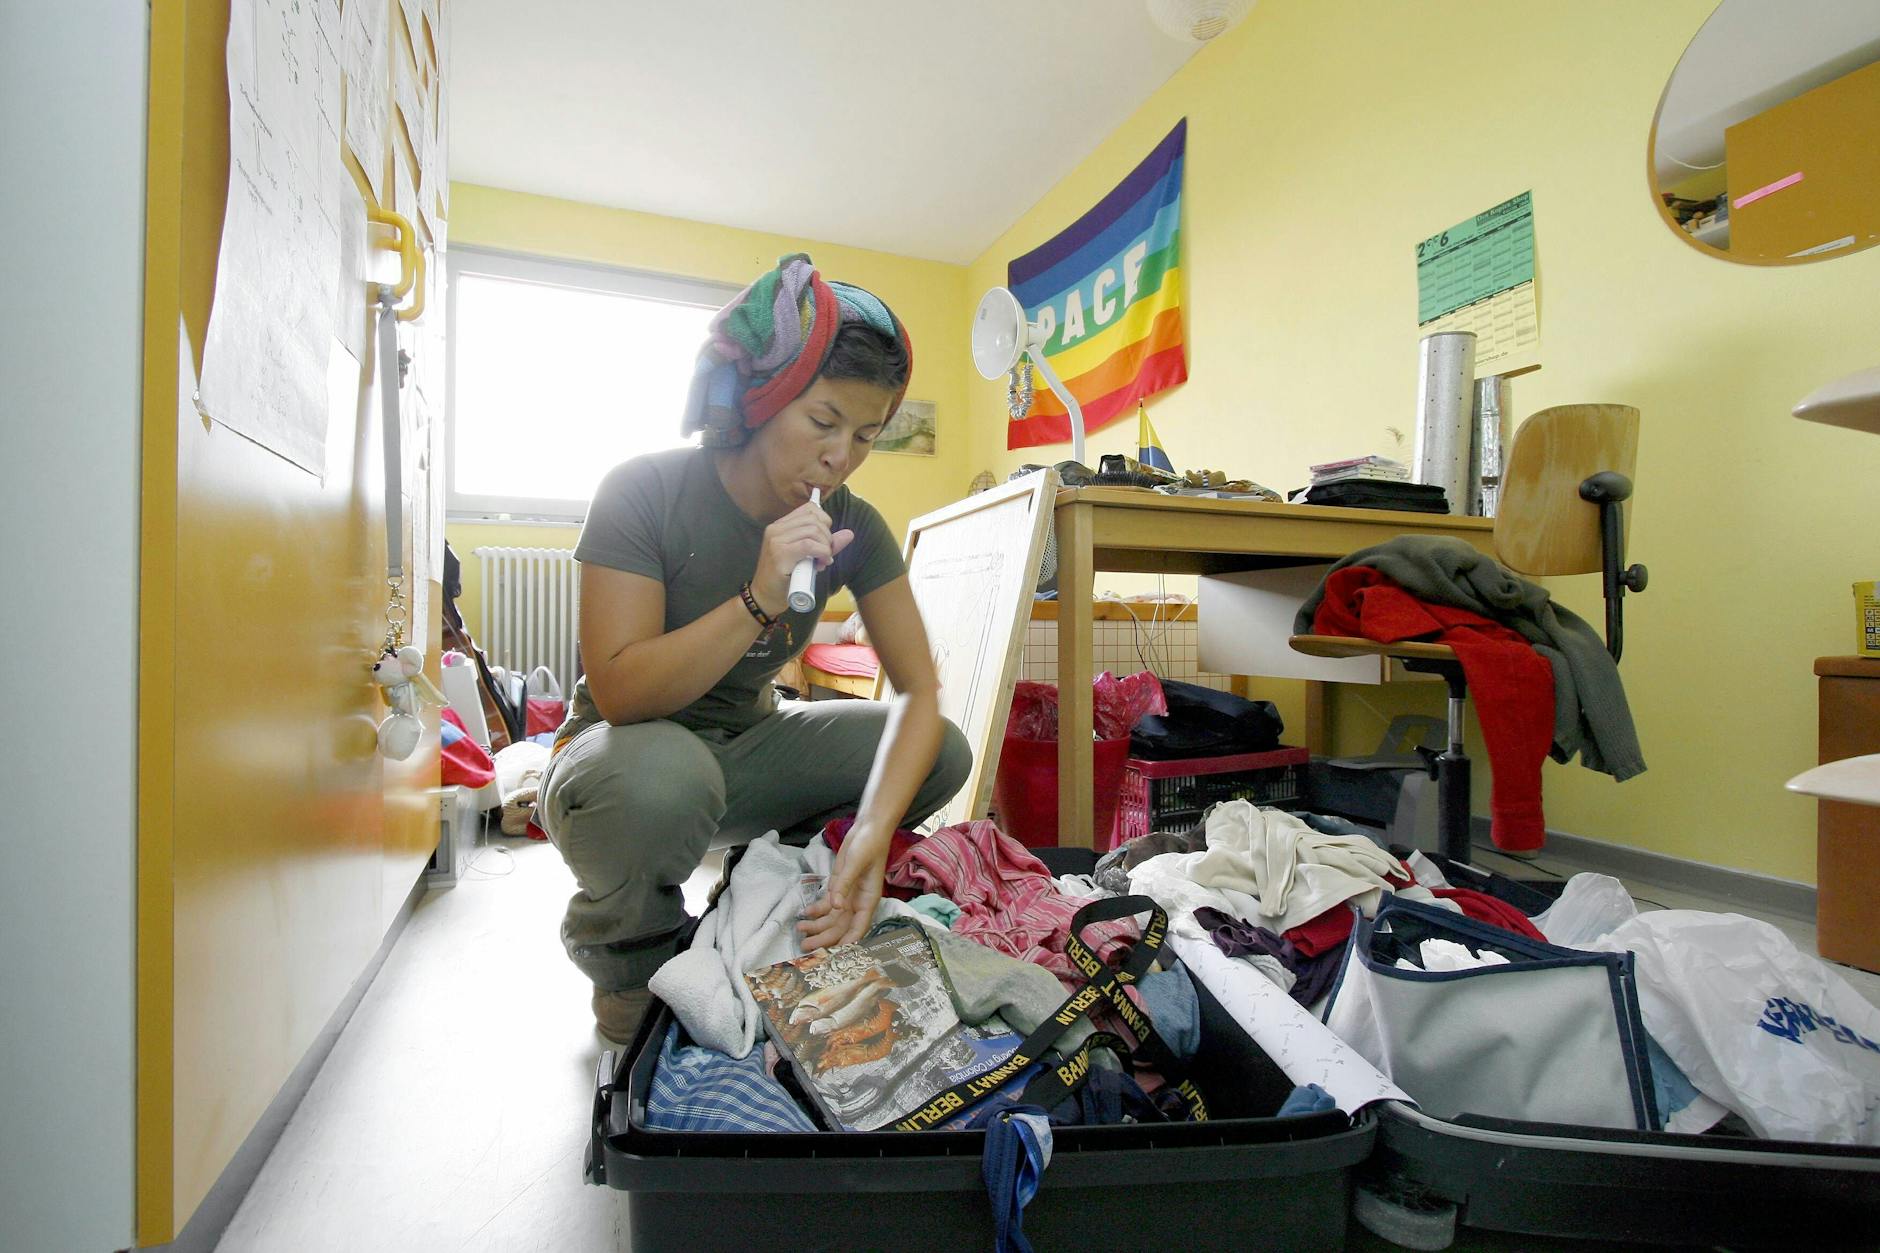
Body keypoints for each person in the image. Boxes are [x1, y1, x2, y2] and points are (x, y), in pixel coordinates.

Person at [537, 254, 972, 1045]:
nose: (843, 456)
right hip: (623, 755)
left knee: (939, 750)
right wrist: (758, 597)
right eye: (824, 422)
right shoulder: (641, 491)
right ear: (763, 401)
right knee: (662, 778)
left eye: (867, 434)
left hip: (748, 748)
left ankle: (775, 897)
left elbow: (918, 695)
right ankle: (634, 962)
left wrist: (873, 830)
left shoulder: (854, 524)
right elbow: (625, 691)